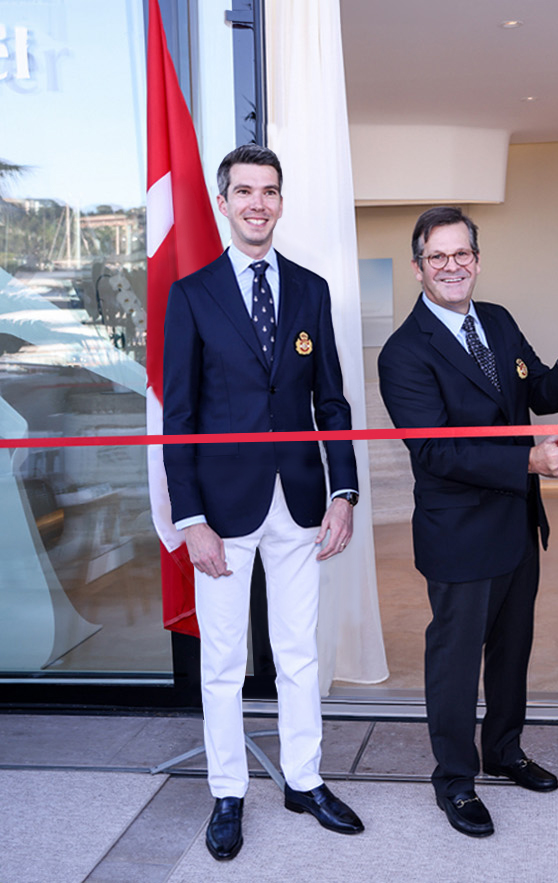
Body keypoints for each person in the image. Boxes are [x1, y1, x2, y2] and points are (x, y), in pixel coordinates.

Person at [163, 144, 363, 861]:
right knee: (222, 658)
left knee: (298, 651)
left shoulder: (310, 290)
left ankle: (304, 779)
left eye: (269, 190)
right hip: (220, 512)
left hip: (301, 503)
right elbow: (178, 418)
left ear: (281, 201)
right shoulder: (191, 295)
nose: (257, 203)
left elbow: (332, 401)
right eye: (244, 190)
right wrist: (191, 521)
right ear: (225, 201)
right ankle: (228, 790)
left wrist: (342, 492)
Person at [377, 206, 558, 839]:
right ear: (418, 269)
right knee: (456, 660)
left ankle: (505, 750)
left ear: (477, 260)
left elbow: (536, 390)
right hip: (460, 532)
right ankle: (455, 780)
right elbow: (435, 451)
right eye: (437, 257)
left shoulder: (496, 320)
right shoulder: (404, 353)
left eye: (461, 254)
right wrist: (529, 458)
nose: (451, 266)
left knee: (513, 650)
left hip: (518, 523)